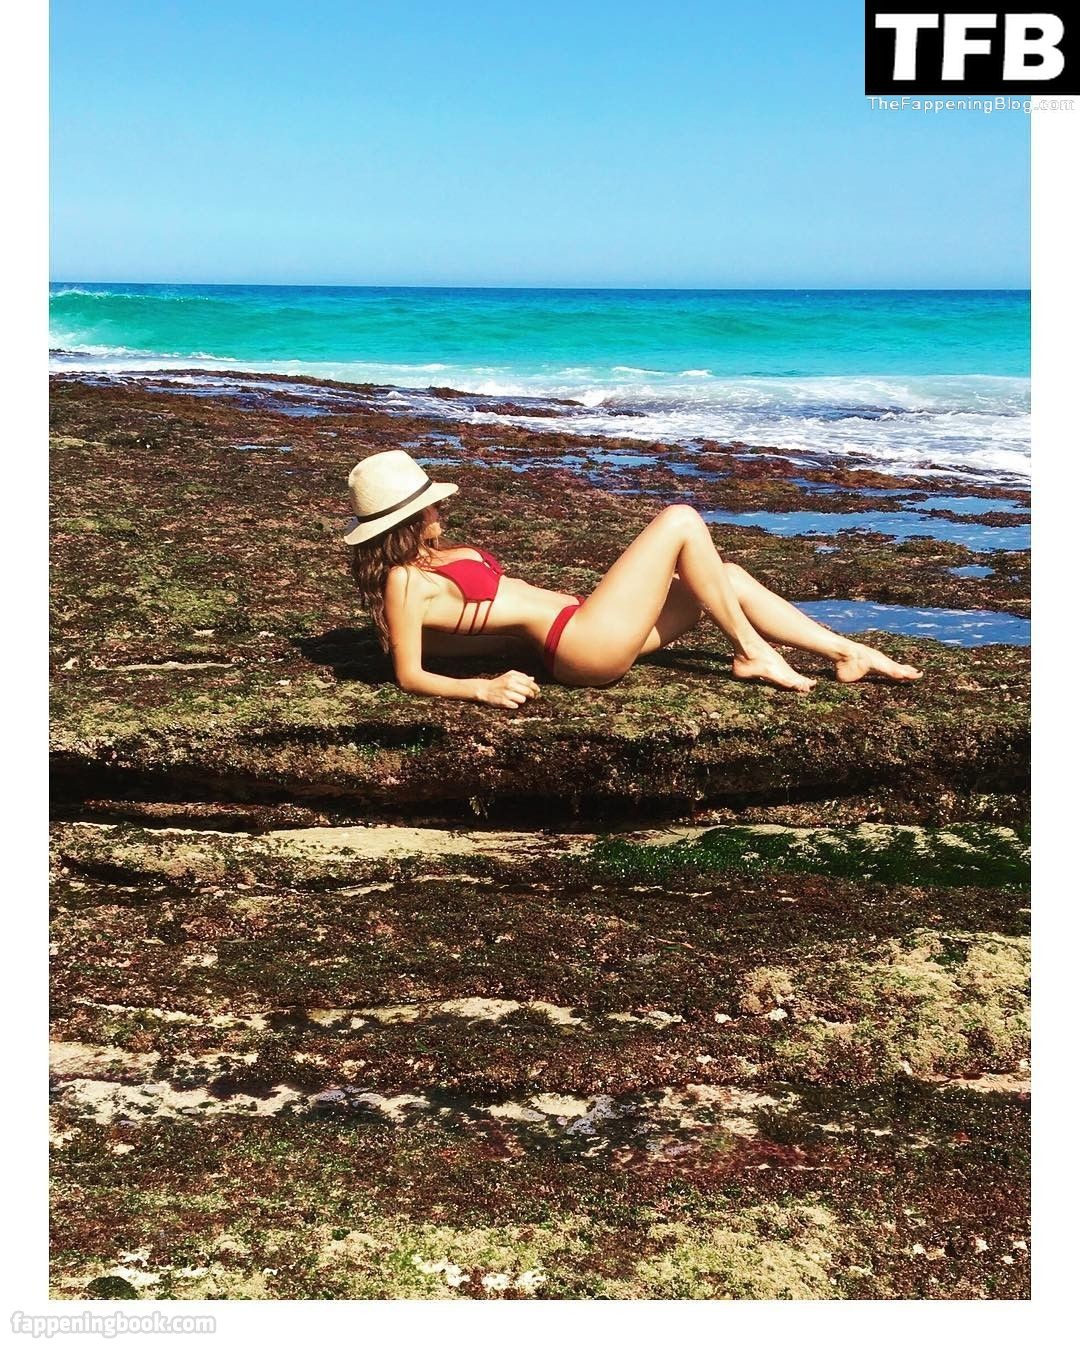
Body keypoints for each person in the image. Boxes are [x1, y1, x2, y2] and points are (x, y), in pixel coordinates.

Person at [345, 449, 922, 710]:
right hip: (582, 644)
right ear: (405, 519)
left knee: (724, 576)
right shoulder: (404, 581)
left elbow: (472, 631)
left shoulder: (433, 558)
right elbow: (409, 674)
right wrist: (483, 688)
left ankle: (848, 652)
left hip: (588, 625)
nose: (440, 509)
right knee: (680, 520)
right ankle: (753, 653)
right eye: (429, 505)